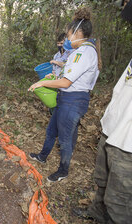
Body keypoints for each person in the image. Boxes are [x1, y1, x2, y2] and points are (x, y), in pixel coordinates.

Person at [73, 1, 132, 223]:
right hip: (113, 129)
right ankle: (96, 212)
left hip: (128, 142)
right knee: (103, 181)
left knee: (120, 202)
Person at [28, 8, 101, 182]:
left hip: (73, 101)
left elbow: (67, 82)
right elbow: (67, 76)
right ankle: (43, 156)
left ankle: (63, 170)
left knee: (65, 139)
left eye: (69, 36)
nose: (67, 39)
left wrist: (42, 83)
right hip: (65, 99)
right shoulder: (77, 53)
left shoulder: (84, 53)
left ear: (78, 33)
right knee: (52, 130)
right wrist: (53, 76)